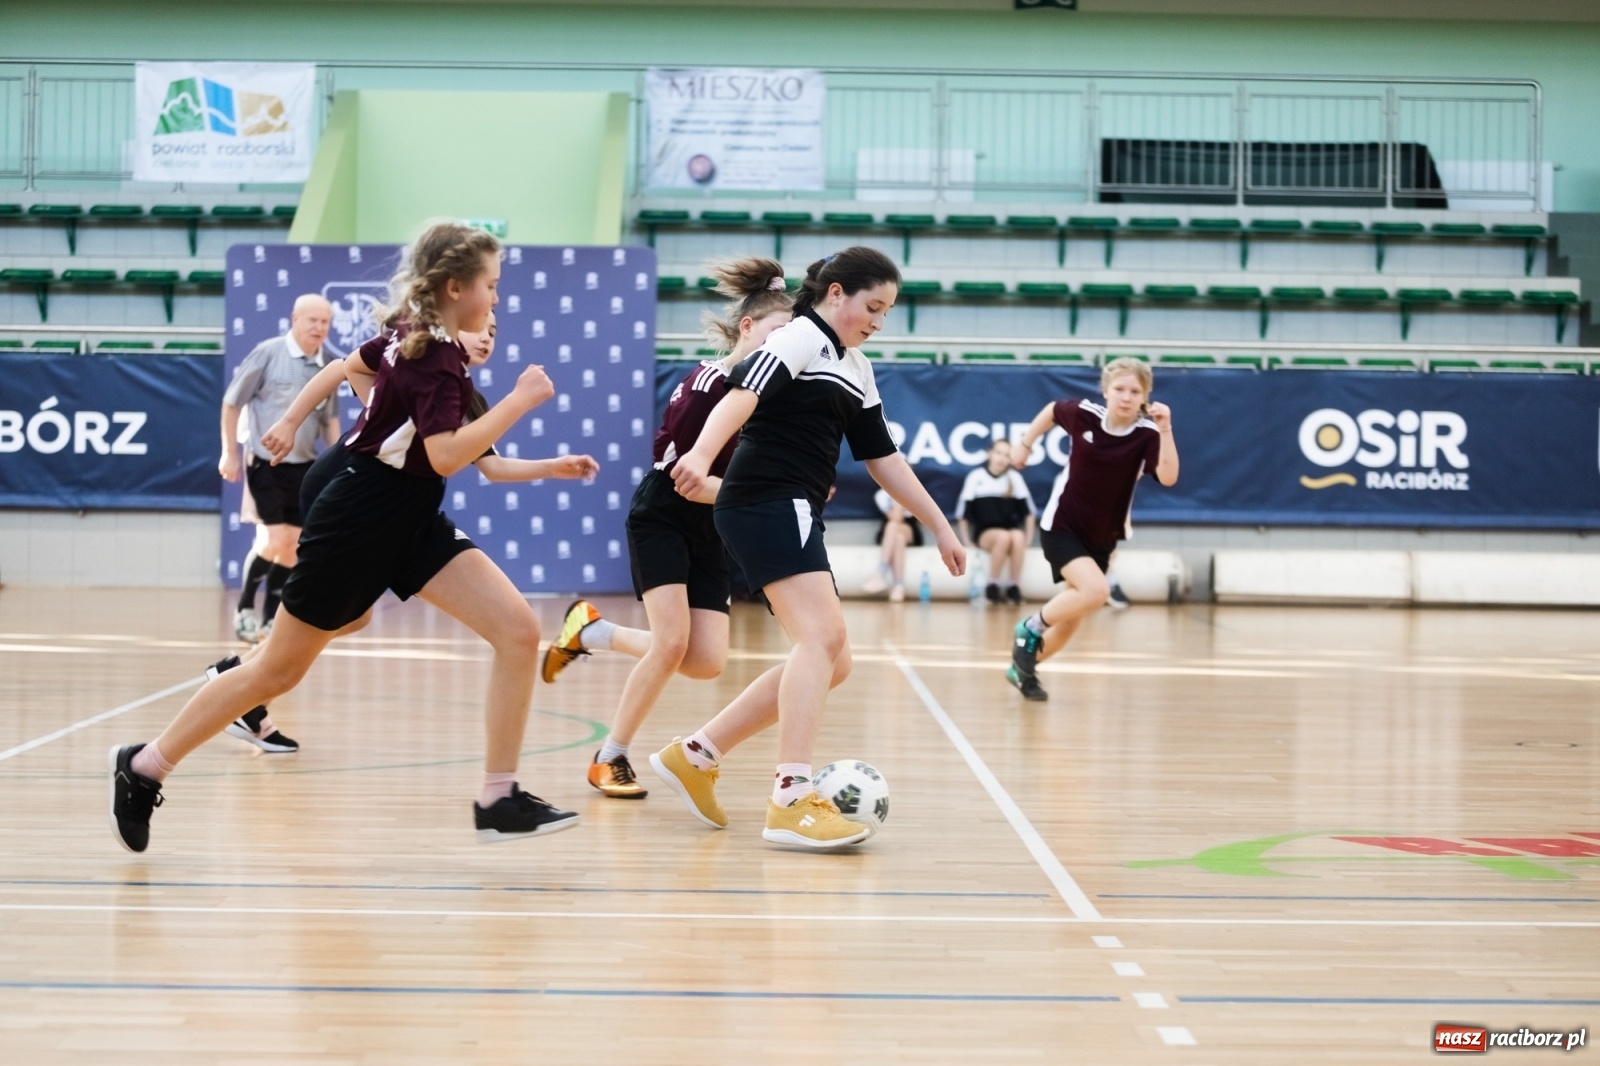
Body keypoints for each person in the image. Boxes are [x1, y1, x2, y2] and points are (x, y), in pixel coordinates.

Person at [109, 223, 582, 854]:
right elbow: (446, 454)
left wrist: (374, 417)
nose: (496, 299)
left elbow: (357, 373)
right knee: (278, 671)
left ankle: (499, 797)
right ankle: (144, 766)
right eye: (491, 287)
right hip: (360, 517)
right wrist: (520, 400)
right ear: (455, 287)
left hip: (409, 512)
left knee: (518, 631)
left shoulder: (418, 339)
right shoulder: (433, 355)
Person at [652, 246, 966, 850]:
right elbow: (741, 395)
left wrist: (940, 524)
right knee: (820, 639)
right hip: (763, 499)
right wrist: (700, 453)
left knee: (832, 659)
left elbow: (883, 459)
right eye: (872, 306)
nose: (879, 321)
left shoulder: (857, 366)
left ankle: (696, 754)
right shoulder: (800, 336)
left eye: (887, 311)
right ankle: (790, 798)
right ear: (837, 293)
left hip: (791, 508)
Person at [206, 312, 597, 755]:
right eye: (478, 325)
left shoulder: (468, 396)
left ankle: (240, 676)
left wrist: (553, 467)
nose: (487, 337)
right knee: (334, 611)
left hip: (393, 507)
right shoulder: (417, 356)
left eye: (494, 331)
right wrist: (291, 421)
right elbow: (341, 368)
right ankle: (232, 691)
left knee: (353, 615)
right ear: (452, 316)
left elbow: (492, 466)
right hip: (346, 486)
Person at [539, 258, 794, 800]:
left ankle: (591, 632)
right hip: (664, 512)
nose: (782, 347)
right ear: (748, 328)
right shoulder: (710, 383)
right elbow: (690, 482)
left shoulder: (773, 400)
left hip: (714, 524)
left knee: (705, 662)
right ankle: (610, 757)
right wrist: (771, 493)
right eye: (776, 333)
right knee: (672, 642)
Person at [1006, 358, 1178, 702]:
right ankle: (1030, 627)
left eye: (1135, 391)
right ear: (1105, 390)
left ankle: (1023, 670)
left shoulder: (1147, 434)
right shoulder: (1084, 415)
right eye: (1119, 389)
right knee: (1097, 592)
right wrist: (1025, 443)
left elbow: (1169, 477)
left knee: (1072, 619)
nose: (1126, 397)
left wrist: (1166, 428)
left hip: (1103, 536)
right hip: (1063, 524)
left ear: (1145, 396)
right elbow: (1052, 410)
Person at [219, 294, 340, 643]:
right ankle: (245, 609)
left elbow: (329, 419)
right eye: (312, 320)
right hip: (265, 463)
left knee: (291, 546)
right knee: (273, 541)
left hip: (304, 467)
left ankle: (271, 619)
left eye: (325, 322)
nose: (319, 328)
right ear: (294, 319)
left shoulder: (329, 366)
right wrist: (229, 452)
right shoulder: (268, 354)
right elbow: (231, 403)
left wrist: (339, 459)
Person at [955, 438, 1036, 605]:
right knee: (1003, 537)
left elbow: (1029, 513)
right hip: (986, 532)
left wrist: (1028, 539)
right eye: (998, 453)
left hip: (1010, 530)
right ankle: (993, 584)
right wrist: (966, 540)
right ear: (989, 453)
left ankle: (1014, 586)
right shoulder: (976, 477)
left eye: (1006, 455)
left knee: (1017, 537)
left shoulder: (1014, 478)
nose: (1001, 458)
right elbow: (963, 513)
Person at [862, 488, 919, 602]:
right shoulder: (881, 495)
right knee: (898, 537)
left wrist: (899, 495)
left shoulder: (914, 491)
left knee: (893, 527)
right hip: (889, 533)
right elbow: (895, 517)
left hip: (908, 529)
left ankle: (881, 573)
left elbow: (900, 518)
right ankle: (899, 585)